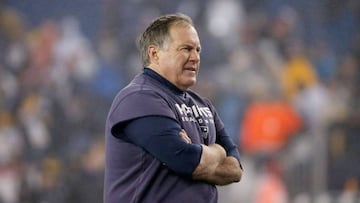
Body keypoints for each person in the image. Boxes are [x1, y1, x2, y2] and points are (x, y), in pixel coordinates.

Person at [104, 13, 243, 203]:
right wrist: (218, 152)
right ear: (155, 54)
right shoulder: (138, 98)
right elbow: (186, 160)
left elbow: (235, 170)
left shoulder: (204, 105)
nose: (195, 57)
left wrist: (198, 153)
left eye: (198, 50)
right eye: (186, 49)